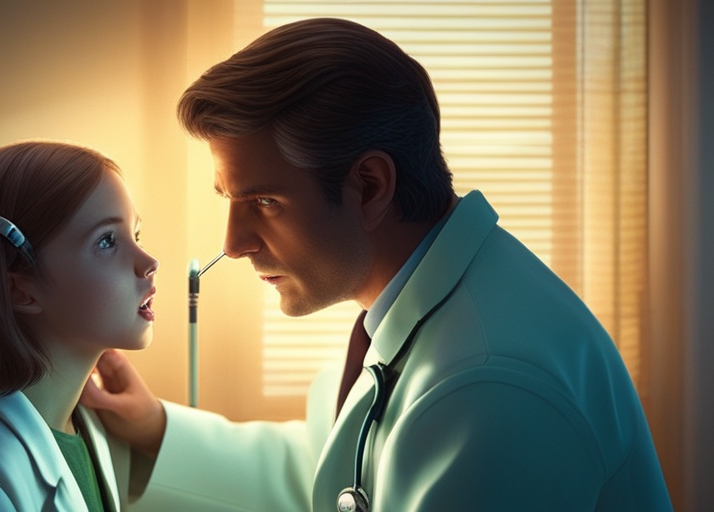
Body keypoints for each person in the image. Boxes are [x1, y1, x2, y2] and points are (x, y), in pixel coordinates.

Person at [80, 17, 672, 511]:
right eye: (230, 200)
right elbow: (338, 476)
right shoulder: (412, 304)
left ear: (368, 185)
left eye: (264, 202)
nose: (233, 243)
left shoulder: (486, 385)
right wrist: (156, 431)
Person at [0, 141, 160, 511]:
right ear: (19, 288)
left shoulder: (86, 431)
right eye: (107, 241)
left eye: (137, 235)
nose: (148, 262)